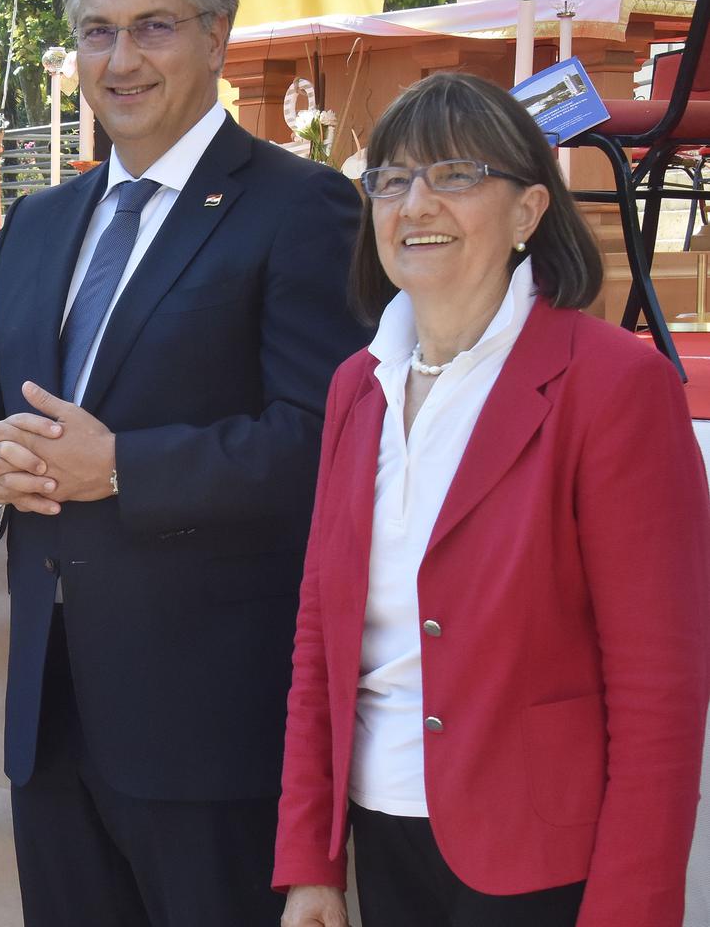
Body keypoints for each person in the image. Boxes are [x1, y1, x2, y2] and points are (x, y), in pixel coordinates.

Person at [0, 0, 367, 925]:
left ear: (217, 36)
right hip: (49, 725)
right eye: (98, 31)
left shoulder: (300, 208)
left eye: (153, 28)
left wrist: (124, 466)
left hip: (210, 734)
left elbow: (326, 443)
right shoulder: (37, 222)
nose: (121, 60)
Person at [274, 72, 710, 927]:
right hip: (382, 835)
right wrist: (309, 863)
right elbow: (319, 638)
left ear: (527, 212)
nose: (416, 203)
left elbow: (660, 688)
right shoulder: (357, 386)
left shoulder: (614, 385)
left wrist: (631, 910)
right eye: (392, 180)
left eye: (456, 175)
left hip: (541, 860)